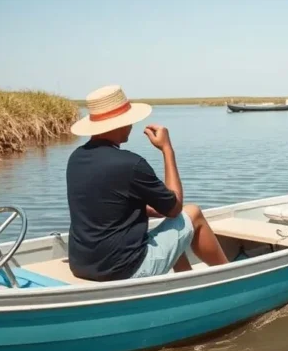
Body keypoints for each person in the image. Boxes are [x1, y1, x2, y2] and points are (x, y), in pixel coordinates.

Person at [65, 84, 229, 281]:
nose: (132, 125)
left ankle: (185, 281)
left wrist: (149, 209)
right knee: (192, 213)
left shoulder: (76, 158)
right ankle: (232, 276)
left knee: (169, 228)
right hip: (122, 271)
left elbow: (107, 205)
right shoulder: (130, 164)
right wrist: (167, 150)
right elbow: (175, 207)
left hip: (82, 265)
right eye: (129, 120)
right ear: (118, 123)